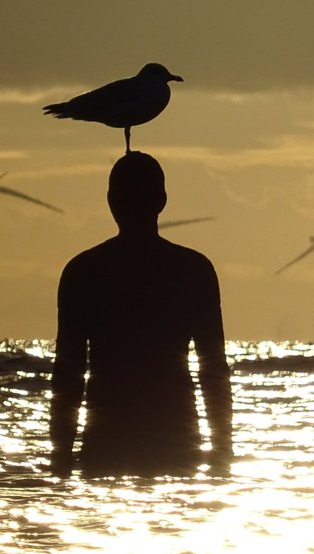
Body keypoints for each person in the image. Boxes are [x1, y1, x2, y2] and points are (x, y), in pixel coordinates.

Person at [49, 152, 232, 476]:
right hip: (177, 444)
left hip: (105, 445)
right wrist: (221, 451)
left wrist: (61, 455)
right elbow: (213, 369)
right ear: (162, 200)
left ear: (110, 201)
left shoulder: (82, 273)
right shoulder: (194, 271)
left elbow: (68, 372)